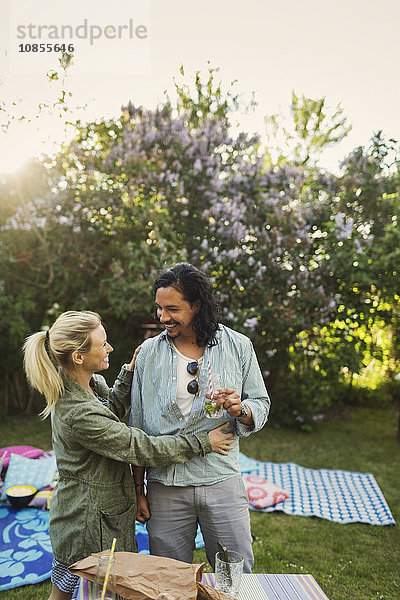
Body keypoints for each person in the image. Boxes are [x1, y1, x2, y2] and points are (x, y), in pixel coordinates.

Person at [23, 310, 234, 600]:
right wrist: (201, 442)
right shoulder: (78, 412)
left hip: (83, 514)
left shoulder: (86, 384)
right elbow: (139, 446)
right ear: (79, 357)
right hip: (89, 524)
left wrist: (129, 372)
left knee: (63, 590)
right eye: (102, 344)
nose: (109, 348)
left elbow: (109, 411)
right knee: (94, 592)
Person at [131, 263, 271, 573]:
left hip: (221, 480)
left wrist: (242, 410)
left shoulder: (237, 346)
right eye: (159, 308)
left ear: (197, 305)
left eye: (172, 309)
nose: (162, 317)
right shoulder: (148, 355)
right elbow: (137, 428)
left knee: (235, 576)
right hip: (165, 486)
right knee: (168, 580)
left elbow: (260, 402)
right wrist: (139, 490)